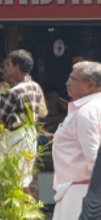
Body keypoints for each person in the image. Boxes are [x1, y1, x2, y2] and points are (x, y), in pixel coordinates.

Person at [0, 49, 44, 192]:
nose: (3, 69)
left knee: (10, 180)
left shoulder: (15, 91)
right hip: (29, 137)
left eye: (7, 65)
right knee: (23, 179)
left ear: (16, 67)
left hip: (15, 138)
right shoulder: (34, 86)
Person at [52, 62, 101, 220]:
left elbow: (94, 159)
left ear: (90, 85)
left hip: (81, 192)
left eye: (73, 79)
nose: (67, 83)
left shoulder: (85, 112)